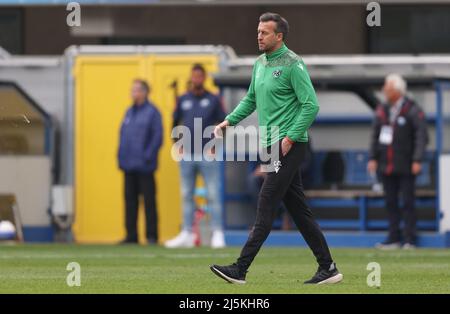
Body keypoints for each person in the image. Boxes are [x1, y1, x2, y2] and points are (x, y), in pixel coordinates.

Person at [210, 12, 342, 285]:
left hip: (288, 146)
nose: (258, 35)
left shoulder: (293, 64)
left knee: (266, 200)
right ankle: (327, 267)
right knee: (298, 210)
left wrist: (291, 137)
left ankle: (240, 268)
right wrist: (228, 121)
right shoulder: (259, 64)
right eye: (258, 31)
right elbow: (251, 99)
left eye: (264, 32)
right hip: (270, 145)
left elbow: (311, 105)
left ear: (279, 36)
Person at [164, 64, 227, 249]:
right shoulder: (183, 99)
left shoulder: (214, 99)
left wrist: (216, 145)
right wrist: (178, 146)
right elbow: (174, 123)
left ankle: (217, 233)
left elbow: (224, 124)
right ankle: (187, 233)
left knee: (213, 193)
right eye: (194, 76)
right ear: (191, 78)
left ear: (204, 78)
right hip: (187, 155)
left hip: (208, 154)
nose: (197, 79)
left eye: (200, 76)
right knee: (186, 194)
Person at [368, 74, 428, 249]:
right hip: (386, 165)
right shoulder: (382, 109)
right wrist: (373, 157)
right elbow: (375, 135)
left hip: (407, 165)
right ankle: (394, 237)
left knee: (408, 202)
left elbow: (421, 137)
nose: (384, 91)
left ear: (397, 91)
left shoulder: (413, 109)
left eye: (387, 88)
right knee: (390, 202)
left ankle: (410, 239)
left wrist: (417, 159)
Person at [118, 79, 163, 244]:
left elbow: (157, 137)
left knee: (149, 201)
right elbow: (123, 135)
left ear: (145, 92)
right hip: (128, 165)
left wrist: (147, 156)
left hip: (145, 166)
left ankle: (152, 236)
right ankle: (131, 236)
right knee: (130, 202)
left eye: (136, 90)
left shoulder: (152, 112)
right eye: (132, 90)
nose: (133, 93)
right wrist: (120, 156)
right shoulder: (129, 112)